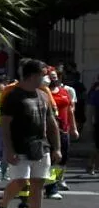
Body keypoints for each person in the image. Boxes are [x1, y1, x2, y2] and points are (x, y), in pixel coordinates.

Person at [0, 59, 61, 208]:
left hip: (41, 146)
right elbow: (5, 125)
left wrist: (57, 148)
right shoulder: (13, 96)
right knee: (21, 182)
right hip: (19, 147)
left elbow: (51, 123)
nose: (45, 79)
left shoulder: (44, 95)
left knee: (38, 183)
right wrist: (8, 149)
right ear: (32, 76)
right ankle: (2, 206)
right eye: (42, 75)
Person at [44, 66, 79, 199]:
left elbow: (70, 111)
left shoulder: (64, 91)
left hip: (64, 130)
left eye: (55, 76)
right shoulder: (44, 92)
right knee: (53, 159)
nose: (54, 78)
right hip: (50, 131)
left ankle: (57, 180)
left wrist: (74, 128)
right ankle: (51, 188)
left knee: (63, 159)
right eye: (51, 76)